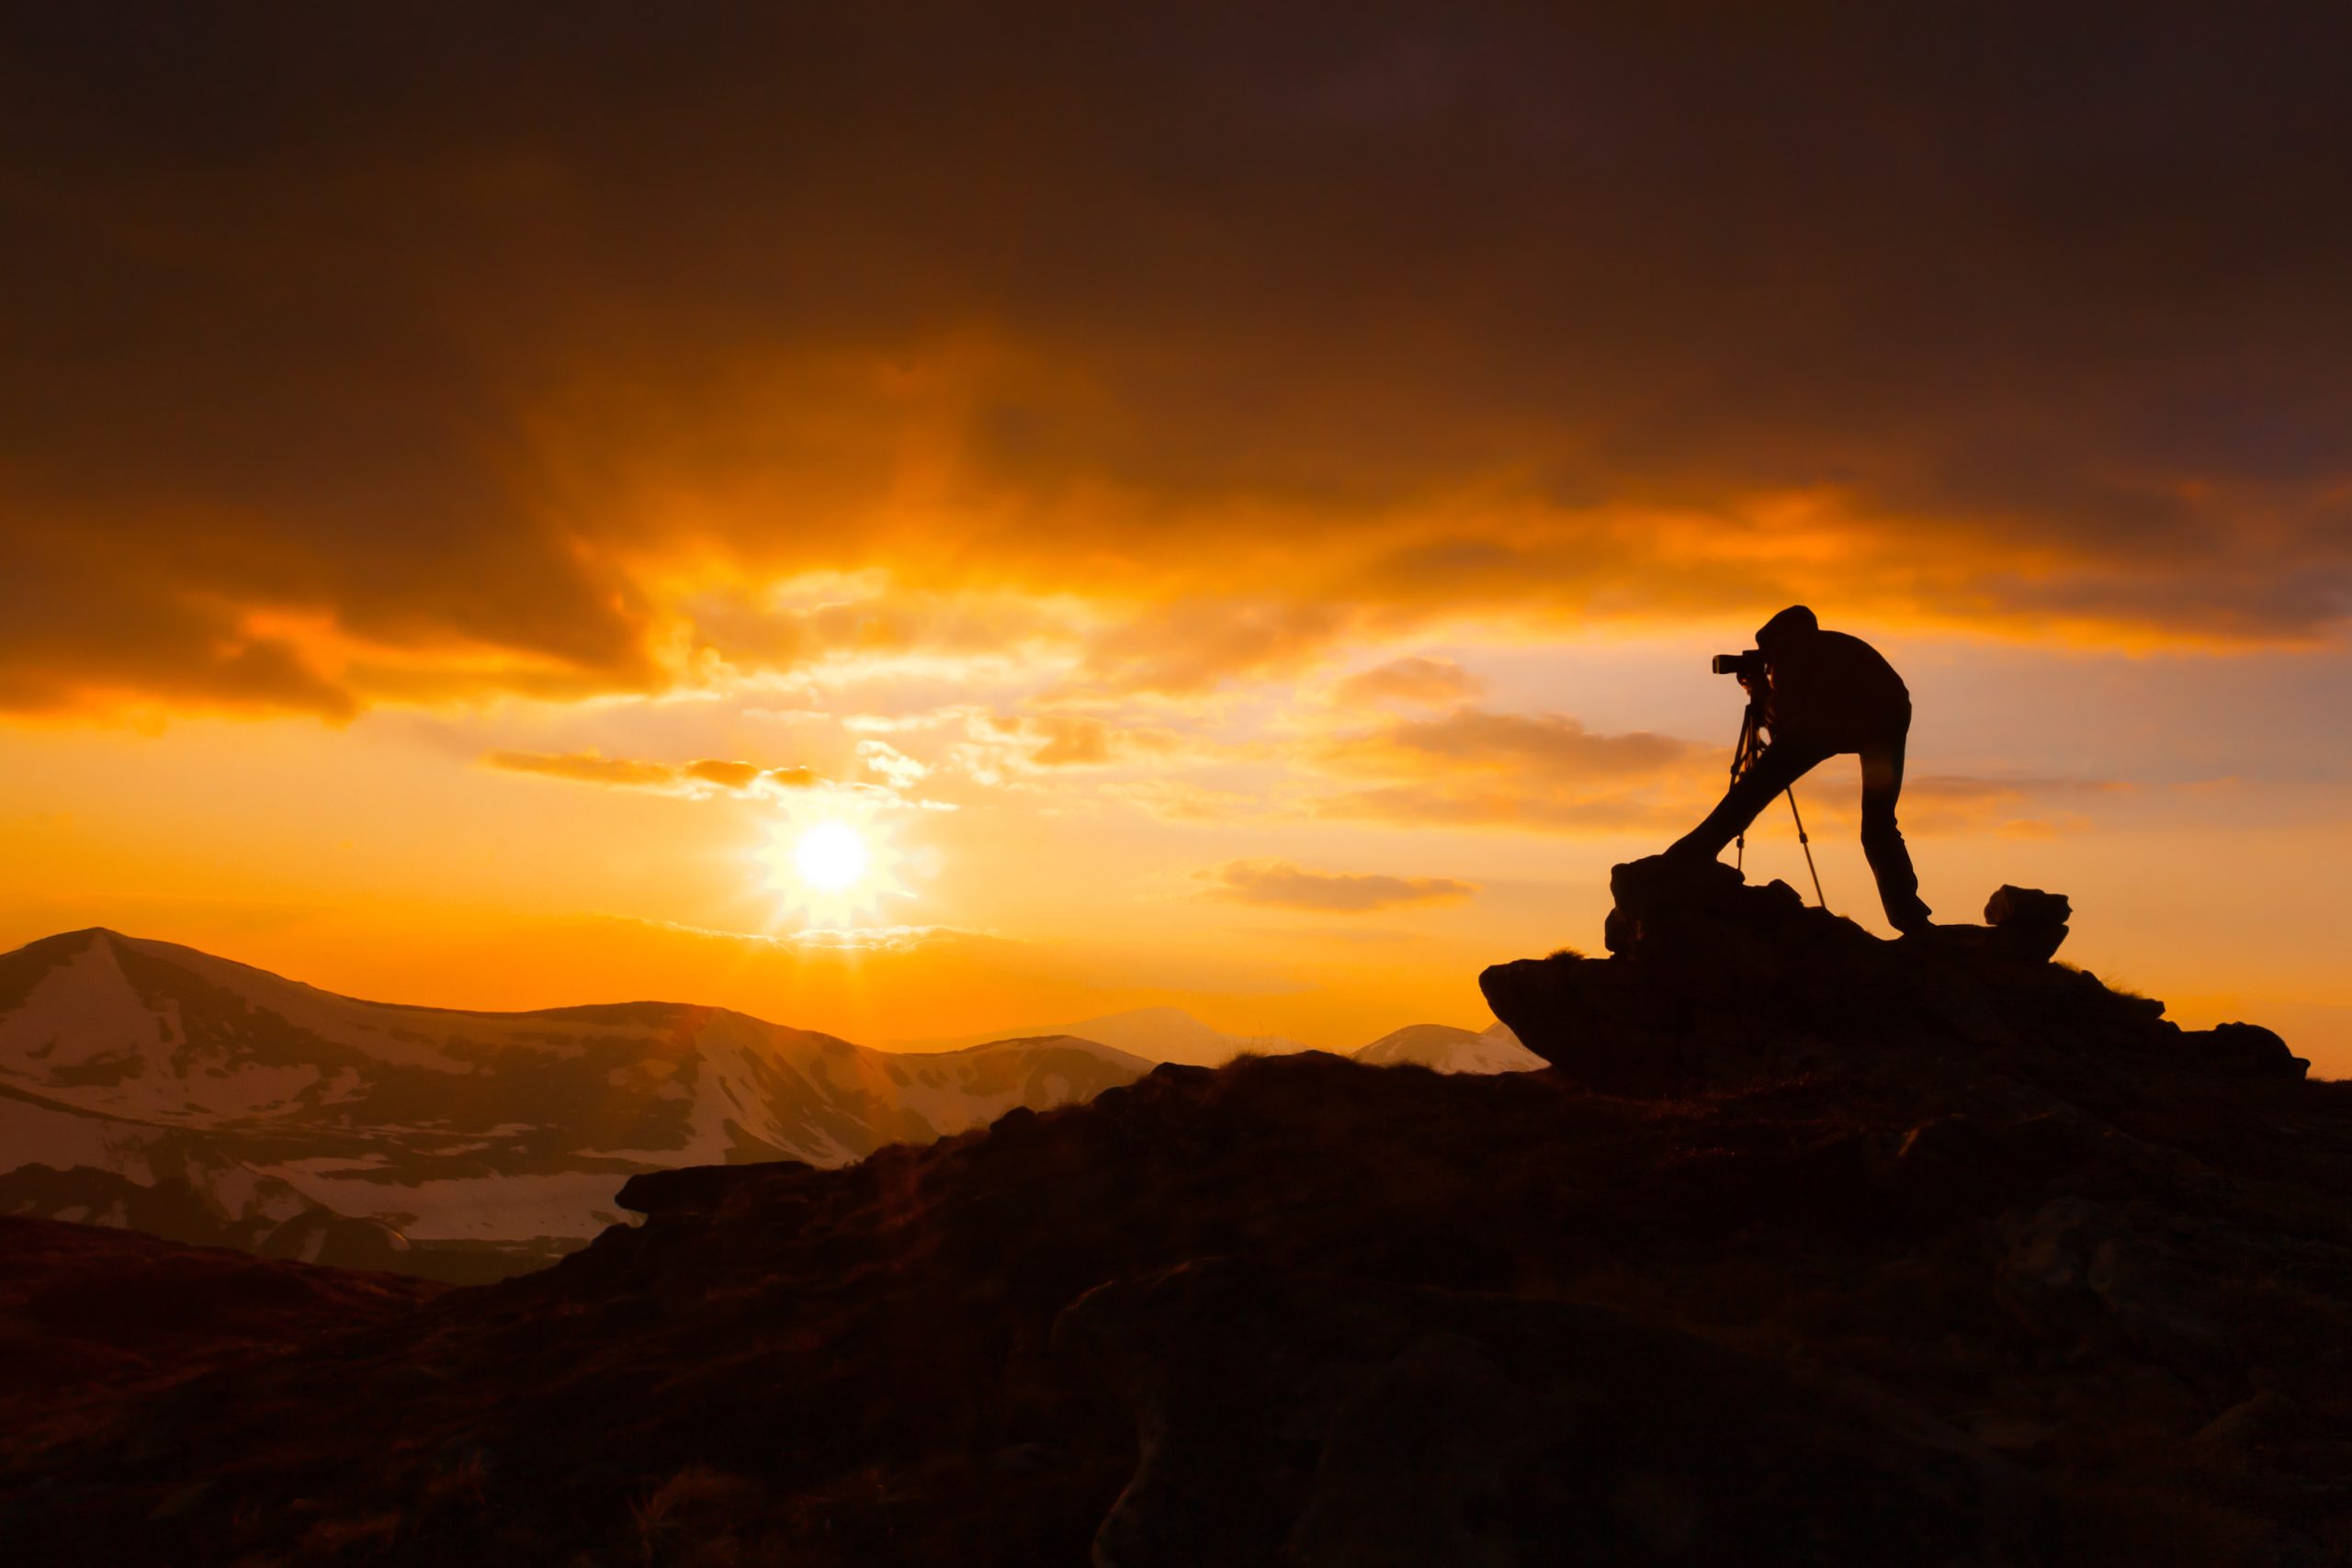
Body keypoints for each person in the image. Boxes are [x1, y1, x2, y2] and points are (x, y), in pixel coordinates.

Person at [1667, 605, 1934, 933]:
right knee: (1879, 822)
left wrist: (1760, 692)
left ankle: (1691, 854)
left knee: (1757, 784)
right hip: (1888, 720)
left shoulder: (1789, 653)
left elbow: (1784, 724)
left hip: (1839, 718)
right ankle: (1909, 917)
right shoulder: (1837, 644)